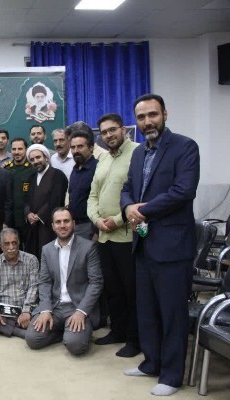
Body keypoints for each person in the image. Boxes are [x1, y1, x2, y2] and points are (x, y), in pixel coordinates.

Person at [120, 94, 200, 396]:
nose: (147, 122)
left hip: (173, 247)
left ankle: (171, 375)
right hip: (143, 244)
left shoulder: (185, 147)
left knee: (172, 314)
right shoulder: (139, 153)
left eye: (152, 115)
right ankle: (151, 363)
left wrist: (141, 210)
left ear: (165, 114)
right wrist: (128, 206)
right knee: (148, 311)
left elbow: (183, 191)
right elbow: (128, 187)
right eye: (141, 117)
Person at [88, 113, 140, 358]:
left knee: (132, 291)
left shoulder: (138, 153)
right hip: (104, 236)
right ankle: (117, 331)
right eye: (104, 132)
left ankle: (134, 339)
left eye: (112, 130)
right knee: (113, 289)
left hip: (127, 236)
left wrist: (117, 220)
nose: (108, 135)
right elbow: (93, 196)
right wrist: (97, 220)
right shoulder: (103, 159)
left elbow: (140, 196)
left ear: (123, 129)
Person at [26, 208, 103, 355]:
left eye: (66, 221)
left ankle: (71, 334)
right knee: (32, 339)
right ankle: (64, 332)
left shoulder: (88, 247)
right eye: (58, 222)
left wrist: (81, 312)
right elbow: (44, 282)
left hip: (77, 306)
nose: (62, 225)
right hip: (55, 307)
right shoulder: (47, 250)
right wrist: (45, 309)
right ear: (53, 226)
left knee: (76, 346)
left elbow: (96, 283)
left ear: (73, 223)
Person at [23, 144, 68, 259]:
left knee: (49, 257)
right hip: (32, 226)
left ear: (46, 157)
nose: (35, 161)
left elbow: (56, 199)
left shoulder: (58, 175)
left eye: (38, 157)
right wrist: (28, 213)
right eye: (32, 159)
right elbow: (25, 199)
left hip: (49, 225)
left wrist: (39, 215)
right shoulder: (30, 177)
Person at [3, 137, 35, 248]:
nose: (16, 152)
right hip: (10, 218)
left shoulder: (32, 169)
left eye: (20, 149)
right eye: (14, 149)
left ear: (26, 149)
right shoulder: (5, 169)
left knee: (30, 247)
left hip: (27, 218)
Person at [68, 129, 98, 240]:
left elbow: (101, 201)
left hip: (90, 226)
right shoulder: (75, 170)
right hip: (74, 226)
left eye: (80, 146)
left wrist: (97, 231)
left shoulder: (98, 168)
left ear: (91, 148)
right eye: (73, 147)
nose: (76, 151)